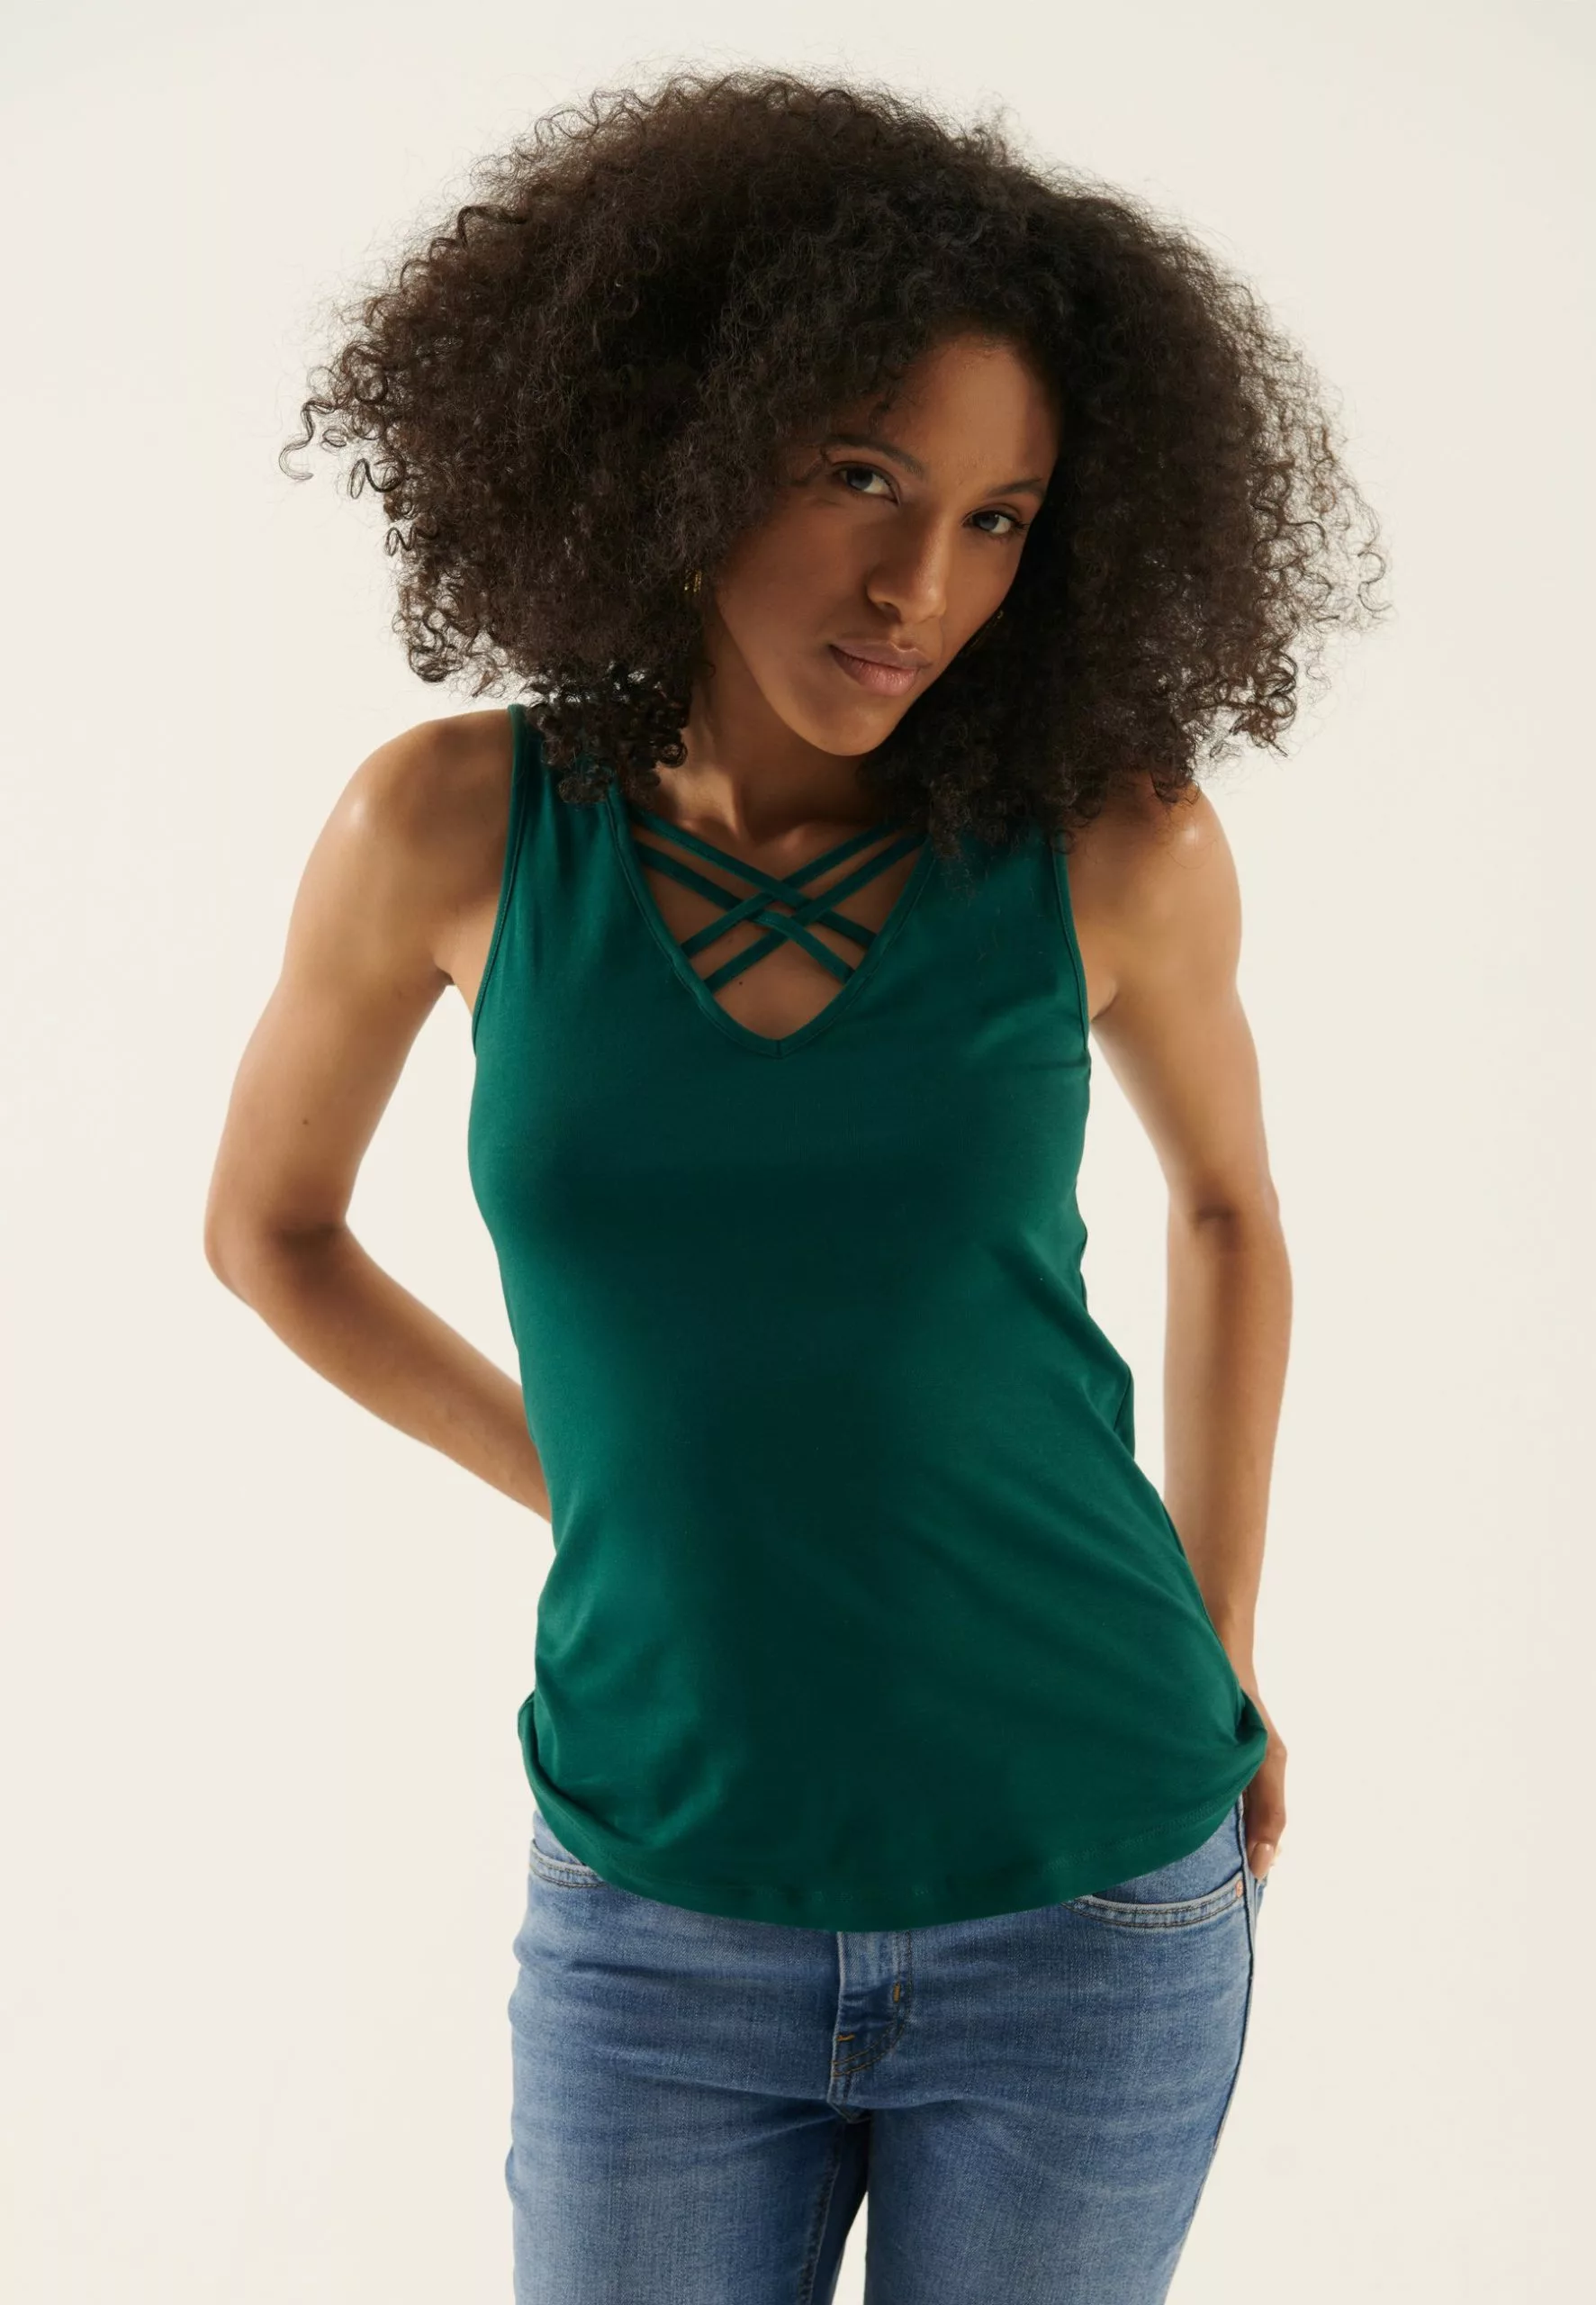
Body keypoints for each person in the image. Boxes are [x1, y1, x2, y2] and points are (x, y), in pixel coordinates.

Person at [205, 68, 1387, 2305]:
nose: (920, 586)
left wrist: (1222, 1631)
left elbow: (1230, 1208)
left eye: (998, 517)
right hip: (659, 1893)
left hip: (1089, 1880)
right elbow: (269, 1228)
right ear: (686, 433)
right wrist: (581, 1473)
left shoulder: (1110, 846)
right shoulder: (447, 826)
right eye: (863, 476)